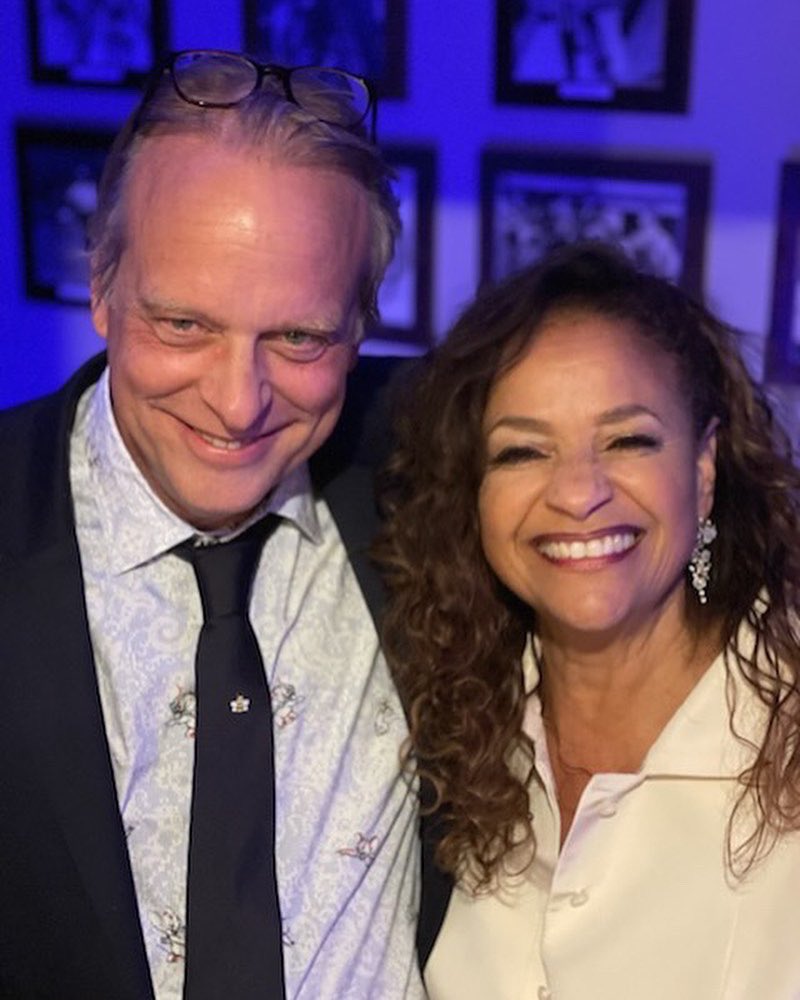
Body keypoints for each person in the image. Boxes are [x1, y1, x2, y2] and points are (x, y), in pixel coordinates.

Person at [0, 50, 424, 1000]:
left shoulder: (438, 472)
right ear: (101, 286)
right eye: (184, 325)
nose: (239, 405)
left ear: (361, 326)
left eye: (300, 338)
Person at [376, 242, 800, 998]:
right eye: (522, 452)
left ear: (703, 469)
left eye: (627, 440)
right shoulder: (441, 732)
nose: (577, 494)